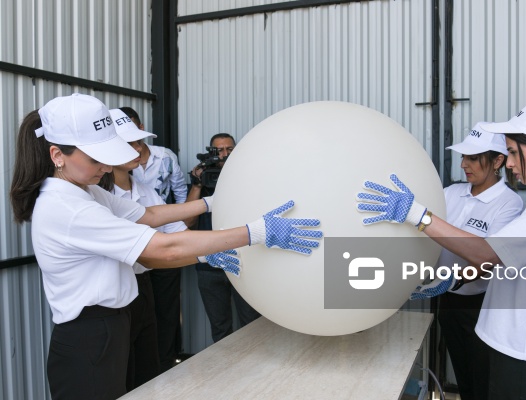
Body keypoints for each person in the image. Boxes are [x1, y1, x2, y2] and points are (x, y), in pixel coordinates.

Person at [9, 93, 322, 400]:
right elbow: (163, 247)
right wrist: (255, 232)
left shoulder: (85, 192)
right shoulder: (67, 207)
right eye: (96, 158)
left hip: (112, 325)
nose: (106, 166)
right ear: (57, 155)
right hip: (88, 338)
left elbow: (151, 214)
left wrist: (214, 201)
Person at [357, 100, 526, 400]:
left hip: (525, 354)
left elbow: (487, 254)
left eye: (515, 153)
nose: (509, 163)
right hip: (513, 346)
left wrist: (417, 214)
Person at [418, 122, 523, 400]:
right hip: (448, 302)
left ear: (498, 160)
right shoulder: (451, 193)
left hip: (481, 308)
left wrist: (455, 278)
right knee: (464, 378)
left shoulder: (508, 204)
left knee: (483, 382)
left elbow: (492, 258)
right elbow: (428, 235)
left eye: (473, 158)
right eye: (463, 156)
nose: (464, 164)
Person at [121, 106, 189, 371]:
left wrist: (208, 204)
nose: (137, 148)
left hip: (152, 266)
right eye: (129, 142)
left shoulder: (147, 188)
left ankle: (165, 368)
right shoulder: (101, 193)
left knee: (161, 317)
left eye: (138, 139)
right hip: (126, 279)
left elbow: (171, 219)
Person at [188, 133, 261, 343]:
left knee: (252, 322)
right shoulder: (202, 179)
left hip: (243, 261)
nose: (224, 155)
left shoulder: (248, 177)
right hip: (208, 264)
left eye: (229, 149)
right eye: (218, 150)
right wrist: (196, 184)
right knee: (220, 328)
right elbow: (188, 223)